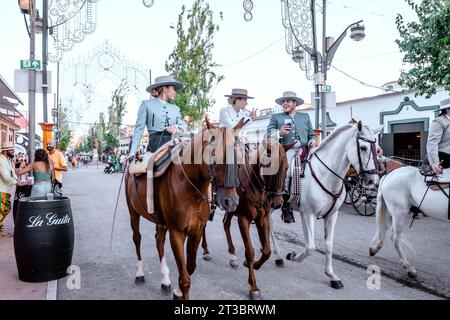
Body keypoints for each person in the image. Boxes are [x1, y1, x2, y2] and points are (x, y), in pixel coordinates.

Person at [266, 91, 317, 223]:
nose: (285, 103)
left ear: (295, 103)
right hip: (287, 149)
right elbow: (268, 135)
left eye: (288, 101)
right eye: (283, 101)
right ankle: (286, 205)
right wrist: (280, 133)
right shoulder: (276, 117)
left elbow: (312, 134)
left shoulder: (304, 116)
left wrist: (313, 140)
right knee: (288, 170)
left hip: (306, 149)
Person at [129, 75, 187, 159]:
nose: (175, 92)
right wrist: (132, 152)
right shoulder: (146, 104)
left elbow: (183, 126)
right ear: (164, 89)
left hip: (174, 140)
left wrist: (175, 127)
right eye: (173, 89)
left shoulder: (176, 108)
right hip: (156, 142)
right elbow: (139, 130)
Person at [427, 98, 450, 175]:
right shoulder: (439, 121)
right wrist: (435, 163)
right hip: (443, 157)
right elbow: (432, 143)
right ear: (447, 109)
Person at [0, 142, 18, 237]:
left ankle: (1, 230)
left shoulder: (8, 160)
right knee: (3, 209)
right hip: (1, 189)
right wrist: (16, 182)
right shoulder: (0, 160)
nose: (13, 152)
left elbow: (12, 173)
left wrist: (18, 180)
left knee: (5, 209)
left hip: (6, 189)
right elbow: (5, 177)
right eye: (11, 150)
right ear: (6, 151)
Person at [13, 152, 31, 221]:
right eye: (20, 157)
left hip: (27, 188)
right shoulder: (16, 168)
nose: (21, 158)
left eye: (23, 157)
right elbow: (15, 176)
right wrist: (20, 167)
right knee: (18, 204)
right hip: (19, 188)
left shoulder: (28, 166)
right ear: (17, 157)